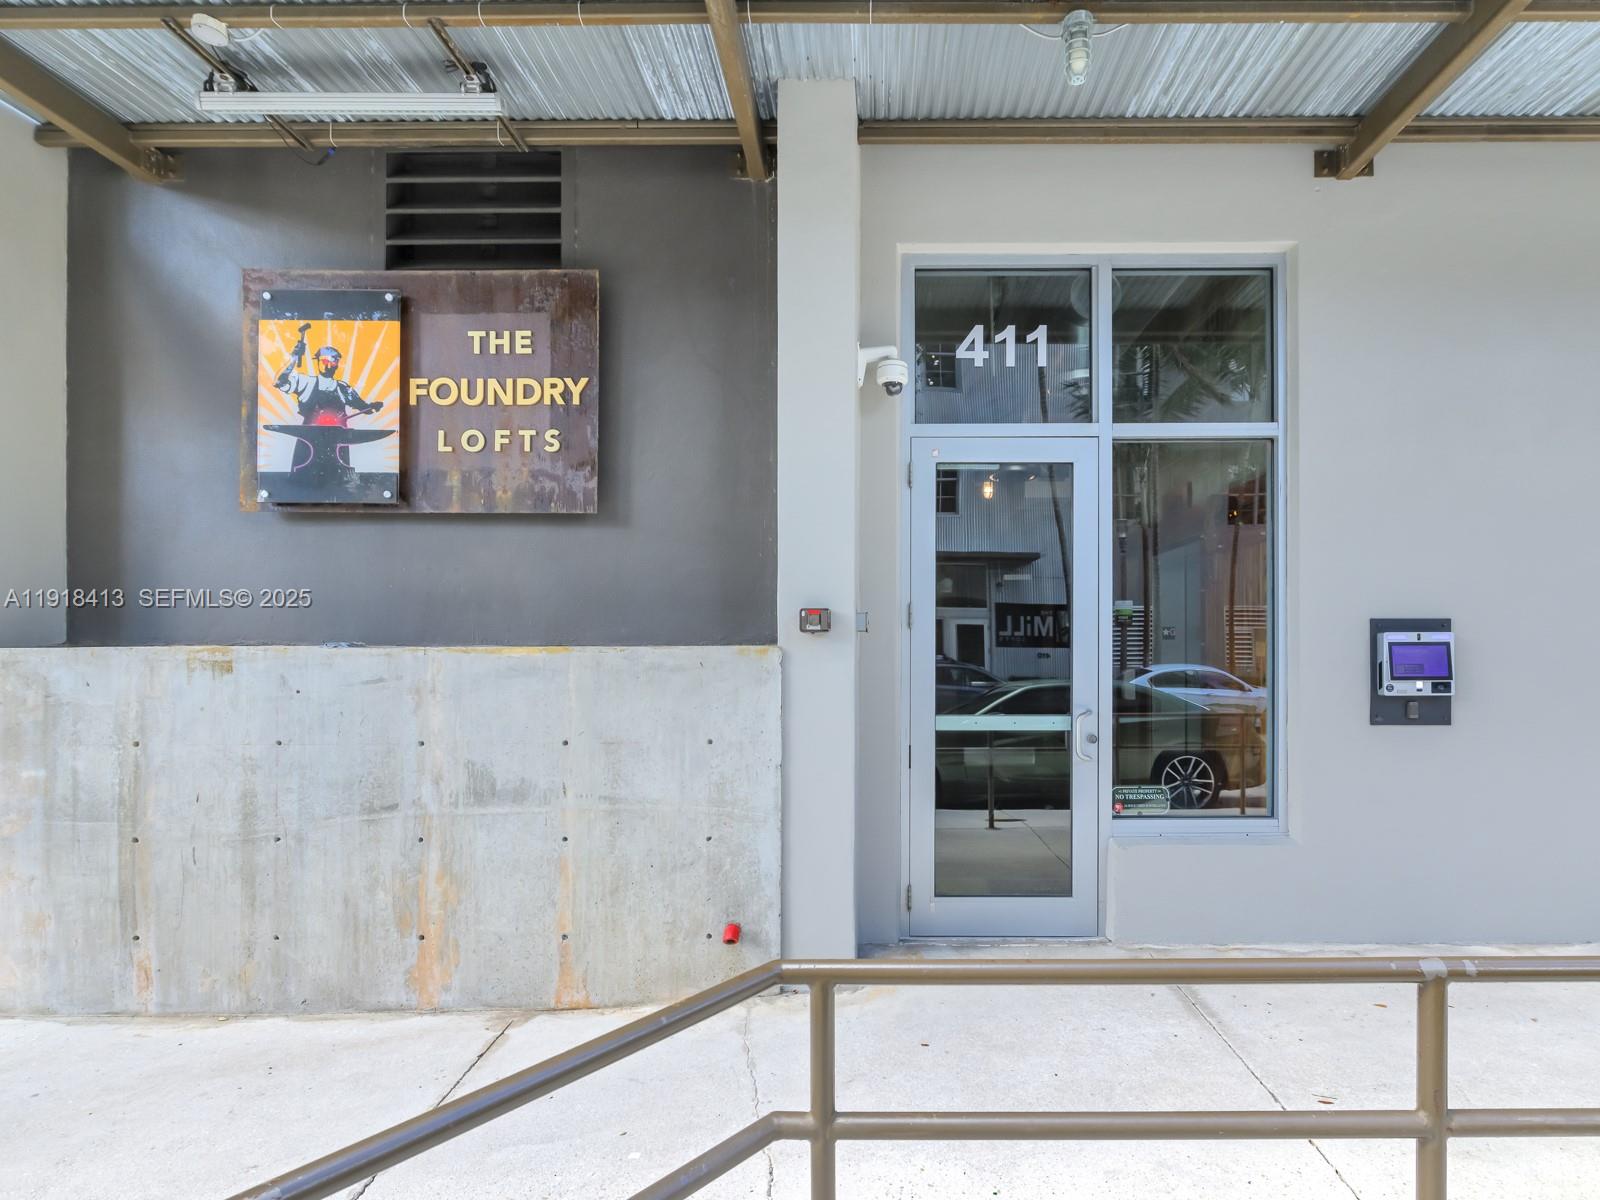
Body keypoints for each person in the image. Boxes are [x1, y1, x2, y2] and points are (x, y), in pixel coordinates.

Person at [275, 328, 383, 428]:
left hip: (337, 443)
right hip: (308, 440)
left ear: (337, 364)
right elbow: (278, 382)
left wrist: (373, 407)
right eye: (324, 361)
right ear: (317, 362)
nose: (328, 365)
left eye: (333, 362)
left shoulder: (343, 388)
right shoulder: (305, 383)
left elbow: (365, 409)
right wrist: (293, 358)